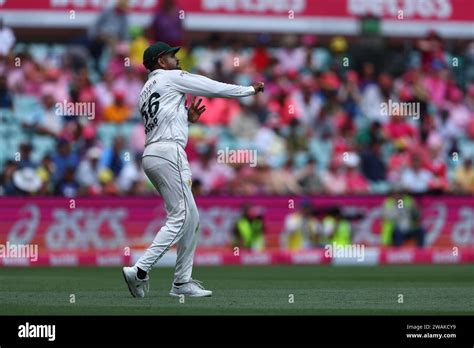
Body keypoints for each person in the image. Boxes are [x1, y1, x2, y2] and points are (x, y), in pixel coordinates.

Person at [122, 41, 264, 298]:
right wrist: (248, 90)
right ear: (159, 62)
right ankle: (140, 269)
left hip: (153, 154)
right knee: (180, 217)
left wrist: (186, 118)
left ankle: (181, 283)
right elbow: (211, 86)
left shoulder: (146, 89)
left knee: (191, 218)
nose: (176, 58)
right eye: (170, 56)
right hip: (169, 153)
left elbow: (162, 118)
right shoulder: (171, 77)